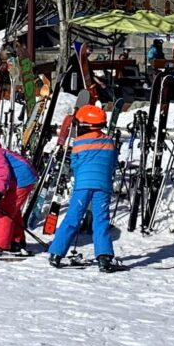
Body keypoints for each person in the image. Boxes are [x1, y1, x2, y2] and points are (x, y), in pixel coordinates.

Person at [48, 104, 123, 271]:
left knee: (72, 218)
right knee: (101, 220)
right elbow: (112, 164)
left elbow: (75, 164)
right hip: (103, 186)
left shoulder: (78, 142)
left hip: (82, 186)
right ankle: (104, 258)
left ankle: (56, 253)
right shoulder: (109, 142)